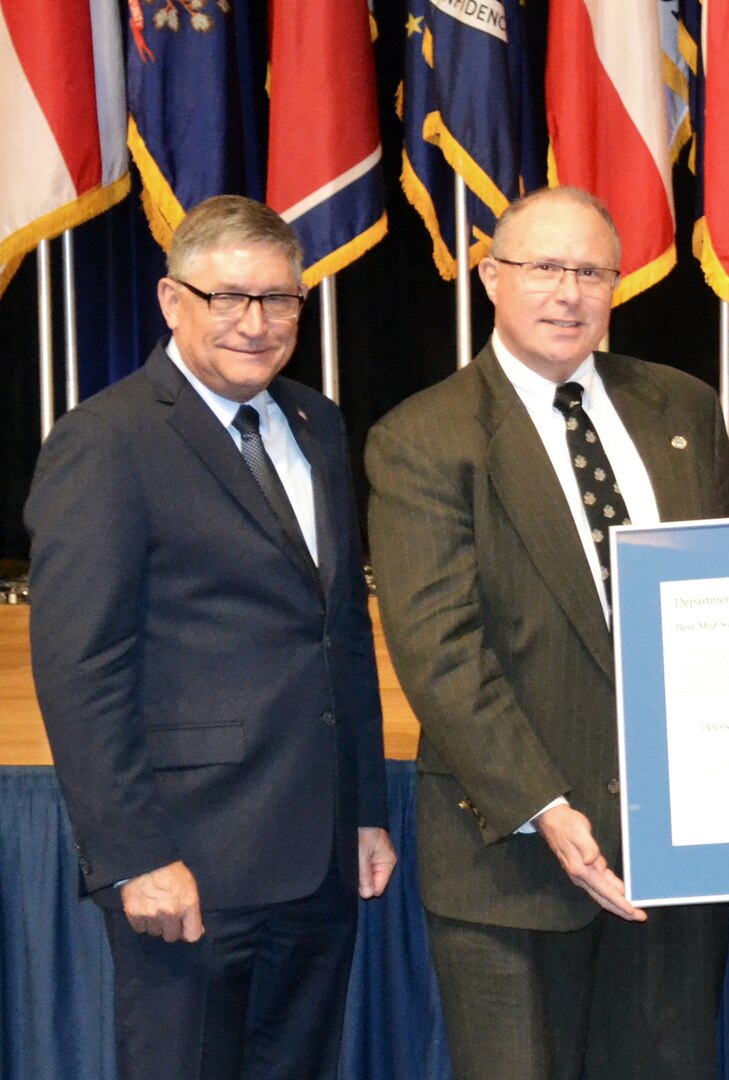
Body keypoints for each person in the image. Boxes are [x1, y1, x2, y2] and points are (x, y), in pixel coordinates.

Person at [365, 186, 729, 1080]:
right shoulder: (424, 436)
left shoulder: (683, 410)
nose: (568, 293)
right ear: (492, 276)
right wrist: (547, 807)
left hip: (673, 864)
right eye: (543, 268)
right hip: (514, 866)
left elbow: (721, 613)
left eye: (591, 271)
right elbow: (440, 652)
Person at [25, 194, 393, 1080]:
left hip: (317, 856)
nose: (256, 323)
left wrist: (367, 809)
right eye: (228, 297)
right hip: (189, 859)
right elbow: (82, 670)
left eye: (279, 299)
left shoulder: (317, 421)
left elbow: (336, 631)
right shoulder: (104, 440)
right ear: (170, 300)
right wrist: (136, 856)